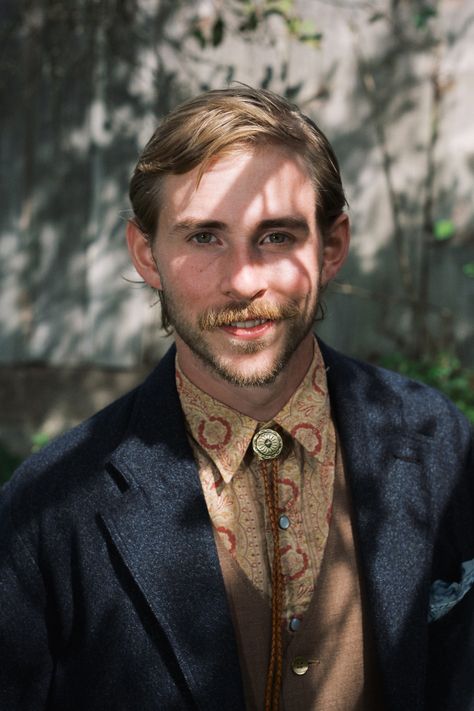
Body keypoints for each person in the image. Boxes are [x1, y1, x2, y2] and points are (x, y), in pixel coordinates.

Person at [0, 86, 473, 711]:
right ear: (147, 253)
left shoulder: (438, 440)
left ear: (330, 248)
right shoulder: (45, 511)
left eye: (276, 236)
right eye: (204, 238)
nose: (244, 280)